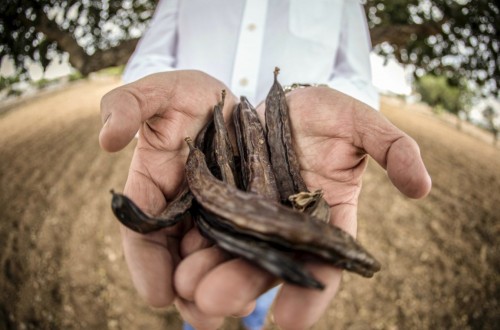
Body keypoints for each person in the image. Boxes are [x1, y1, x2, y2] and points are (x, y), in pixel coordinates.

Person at [99, 1, 432, 329]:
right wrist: (160, 98)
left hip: (298, 159)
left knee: (261, 282)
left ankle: (254, 321)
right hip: (190, 138)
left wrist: (313, 95)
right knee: (201, 292)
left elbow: (357, 79)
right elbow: (148, 58)